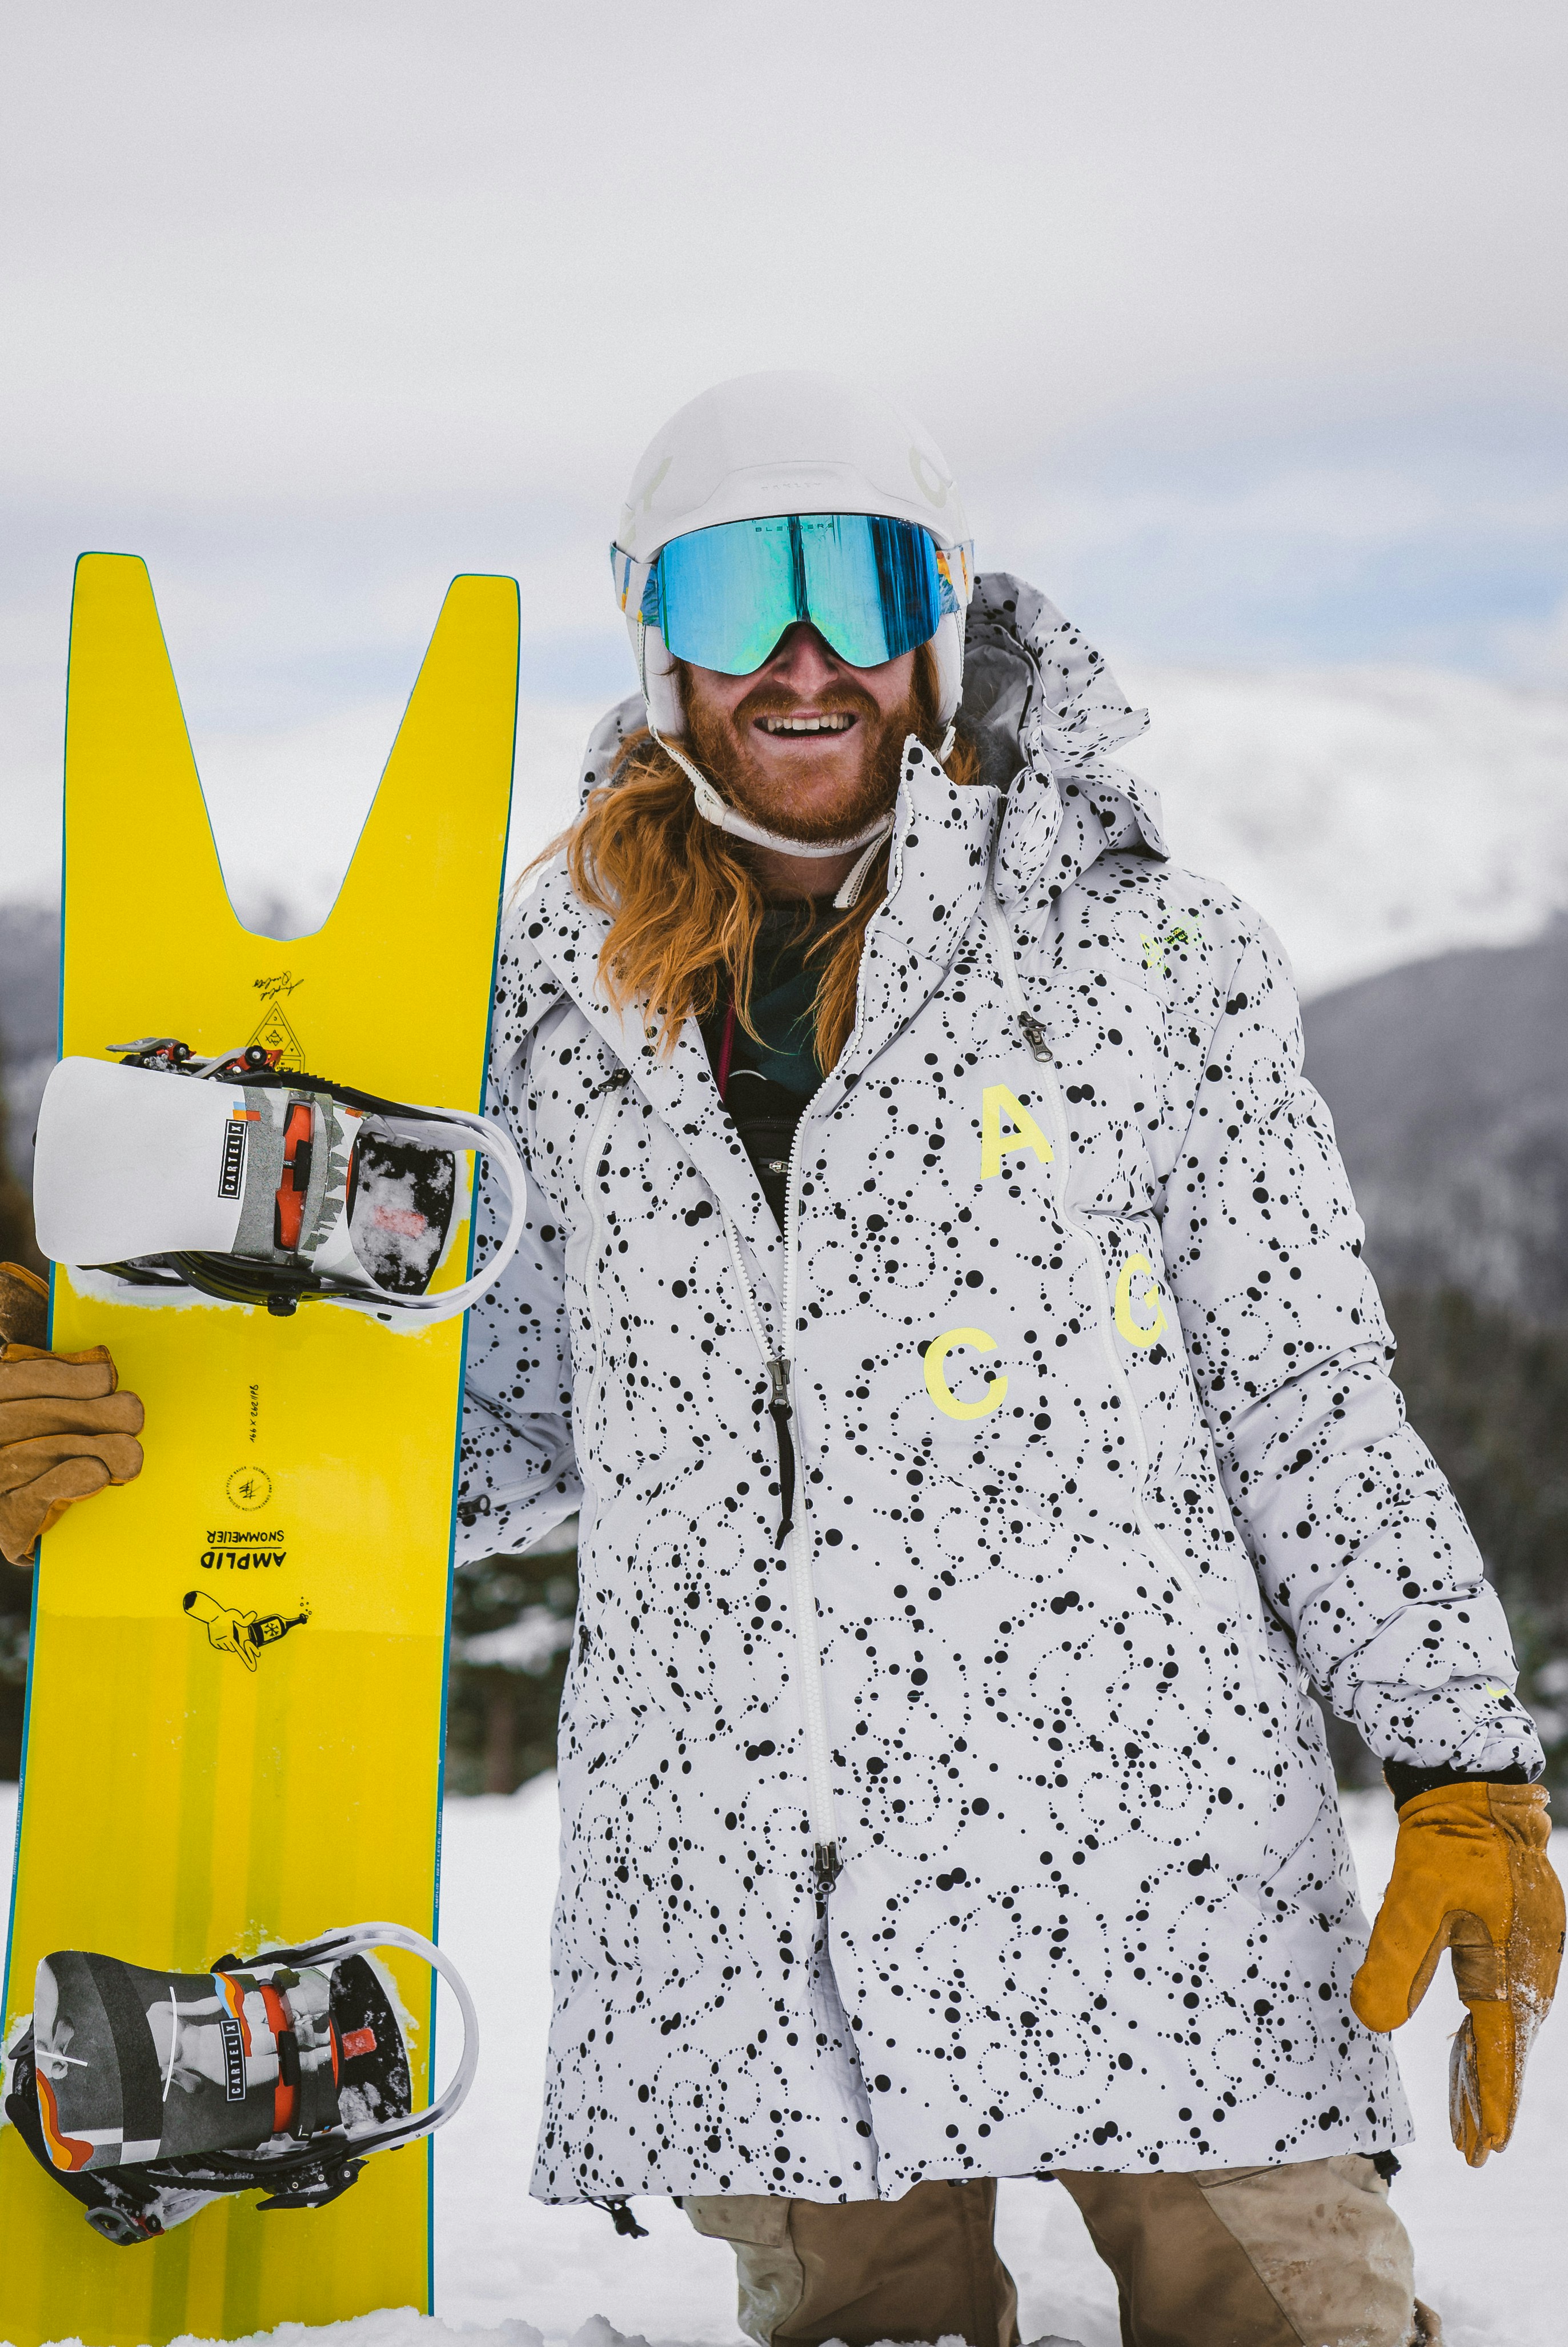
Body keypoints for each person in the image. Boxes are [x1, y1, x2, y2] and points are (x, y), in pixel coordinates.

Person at [9, 371, 1560, 2346]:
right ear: (655, 639)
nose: (802, 656)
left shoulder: (1147, 957)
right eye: (741, 596)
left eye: (859, 581)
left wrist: (1461, 1764)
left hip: (1155, 1883)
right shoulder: (549, 1002)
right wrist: (129, 1429)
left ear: (945, 611)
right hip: (757, 1914)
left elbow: (1308, 1405)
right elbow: (509, 1429)